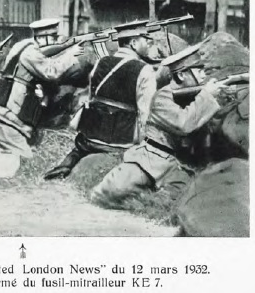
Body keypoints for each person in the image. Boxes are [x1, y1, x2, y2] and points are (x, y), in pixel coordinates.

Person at [90, 44, 226, 206]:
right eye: (199, 71)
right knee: (109, 192)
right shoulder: (163, 97)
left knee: (182, 198)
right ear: (181, 75)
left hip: (178, 166)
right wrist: (207, 96)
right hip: (151, 160)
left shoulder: (194, 98)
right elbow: (183, 124)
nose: (204, 77)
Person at [44, 20, 158, 180]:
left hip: (89, 139)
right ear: (133, 43)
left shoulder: (101, 62)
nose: (149, 44)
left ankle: (67, 164)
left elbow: (93, 97)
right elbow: (146, 116)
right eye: (146, 40)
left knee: (79, 148)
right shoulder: (145, 70)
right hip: (121, 142)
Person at [0, 18, 84, 158]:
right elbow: (50, 72)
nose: (56, 41)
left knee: (5, 151)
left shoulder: (21, 46)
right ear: (42, 38)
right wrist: (70, 56)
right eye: (53, 37)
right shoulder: (30, 53)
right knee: (25, 159)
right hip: (5, 117)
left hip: (1, 112)